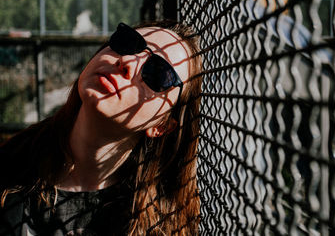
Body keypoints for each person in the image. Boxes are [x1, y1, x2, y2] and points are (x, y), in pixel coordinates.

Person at [0, 20, 202, 235]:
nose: (127, 61)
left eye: (158, 73)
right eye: (128, 42)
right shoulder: (8, 168)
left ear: (162, 125)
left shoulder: (163, 226)